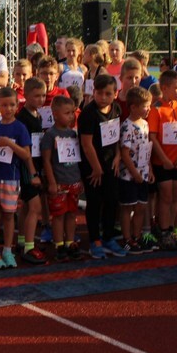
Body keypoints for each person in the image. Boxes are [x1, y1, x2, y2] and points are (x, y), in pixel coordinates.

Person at [0, 86, 37, 267]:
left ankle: (7, 250)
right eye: (4, 105)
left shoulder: (20, 128)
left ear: (17, 106)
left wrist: (10, 144)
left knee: (8, 215)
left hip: (10, 177)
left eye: (12, 105)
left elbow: (26, 154)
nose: (8, 109)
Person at [79, 73, 125, 258]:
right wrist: (96, 167)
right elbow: (86, 144)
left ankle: (108, 237)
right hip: (92, 166)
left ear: (115, 93)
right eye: (99, 93)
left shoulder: (116, 109)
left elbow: (117, 136)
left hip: (110, 163)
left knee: (112, 200)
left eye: (108, 94)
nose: (103, 97)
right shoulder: (88, 114)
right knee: (94, 202)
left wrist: (118, 156)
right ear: (93, 92)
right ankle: (94, 240)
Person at [148, 70, 177, 251]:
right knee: (165, 196)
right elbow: (152, 137)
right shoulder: (156, 109)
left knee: (174, 197)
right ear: (164, 88)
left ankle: (170, 230)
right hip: (162, 162)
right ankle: (163, 231)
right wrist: (164, 159)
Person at [41, 96, 83, 262]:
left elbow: (78, 157)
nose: (71, 116)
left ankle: (70, 242)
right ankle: (59, 244)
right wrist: (52, 182)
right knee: (58, 215)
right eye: (67, 113)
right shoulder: (50, 135)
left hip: (74, 180)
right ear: (55, 114)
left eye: (72, 113)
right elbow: (46, 160)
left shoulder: (73, 134)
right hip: (59, 182)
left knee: (72, 213)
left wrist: (80, 179)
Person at [117, 87, 153, 255]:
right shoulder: (127, 126)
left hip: (143, 173)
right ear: (133, 107)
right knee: (127, 207)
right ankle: (126, 239)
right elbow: (125, 153)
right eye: (145, 106)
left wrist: (149, 170)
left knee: (140, 207)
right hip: (129, 176)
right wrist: (135, 173)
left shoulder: (145, 124)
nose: (148, 109)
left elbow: (146, 148)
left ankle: (136, 236)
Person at [17, 77, 48, 254]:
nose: (41, 99)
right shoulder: (24, 119)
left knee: (28, 206)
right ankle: (29, 247)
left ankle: (22, 240)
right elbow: (25, 149)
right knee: (35, 207)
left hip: (35, 164)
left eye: (43, 95)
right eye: (37, 96)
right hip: (27, 167)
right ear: (26, 95)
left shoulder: (38, 115)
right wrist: (33, 173)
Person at [115, 57, 143, 122]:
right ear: (121, 78)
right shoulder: (114, 99)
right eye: (129, 78)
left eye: (136, 78)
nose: (133, 81)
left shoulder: (144, 100)